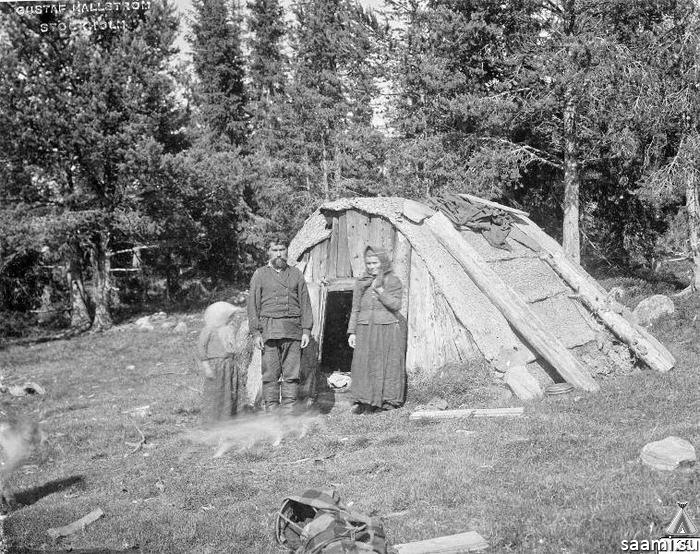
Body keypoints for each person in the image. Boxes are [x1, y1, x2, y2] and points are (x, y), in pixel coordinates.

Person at [247, 237, 313, 413]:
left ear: (287, 251)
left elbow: (305, 303)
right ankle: (272, 412)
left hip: (293, 330)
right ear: (268, 252)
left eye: (282, 250)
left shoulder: (296, 274)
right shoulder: (260, 274)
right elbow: (252, 305)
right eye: (275, 250)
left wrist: (306, 330)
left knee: (291, 374)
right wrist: (256, 333)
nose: (279, 254)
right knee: (270, 374)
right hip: (269, 331)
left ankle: (289, 411)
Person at [347, 246, 406, 414]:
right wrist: (352, 332)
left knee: (385, 364)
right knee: (364, 364)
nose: (371, 266)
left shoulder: (392, 281)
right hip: (364, 328)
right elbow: (355, 309)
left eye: (375, 263)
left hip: (386, 328)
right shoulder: (361, 282)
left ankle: (386, 401)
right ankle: (364, 401)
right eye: (369, 263)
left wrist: (380, 290)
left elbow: (396, 305)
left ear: (383, 262)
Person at [197, 302, 250, 422]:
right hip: (217, 365)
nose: (231, 319)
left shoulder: (228, 329)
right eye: (229, 317)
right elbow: (201, 347)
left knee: (231, 390)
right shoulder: (209, 329)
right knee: (217, 390)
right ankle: (214, 418)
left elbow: (232, 347)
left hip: (230, 365)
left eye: (232, 317)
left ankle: (231, 416)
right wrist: (206, 366)